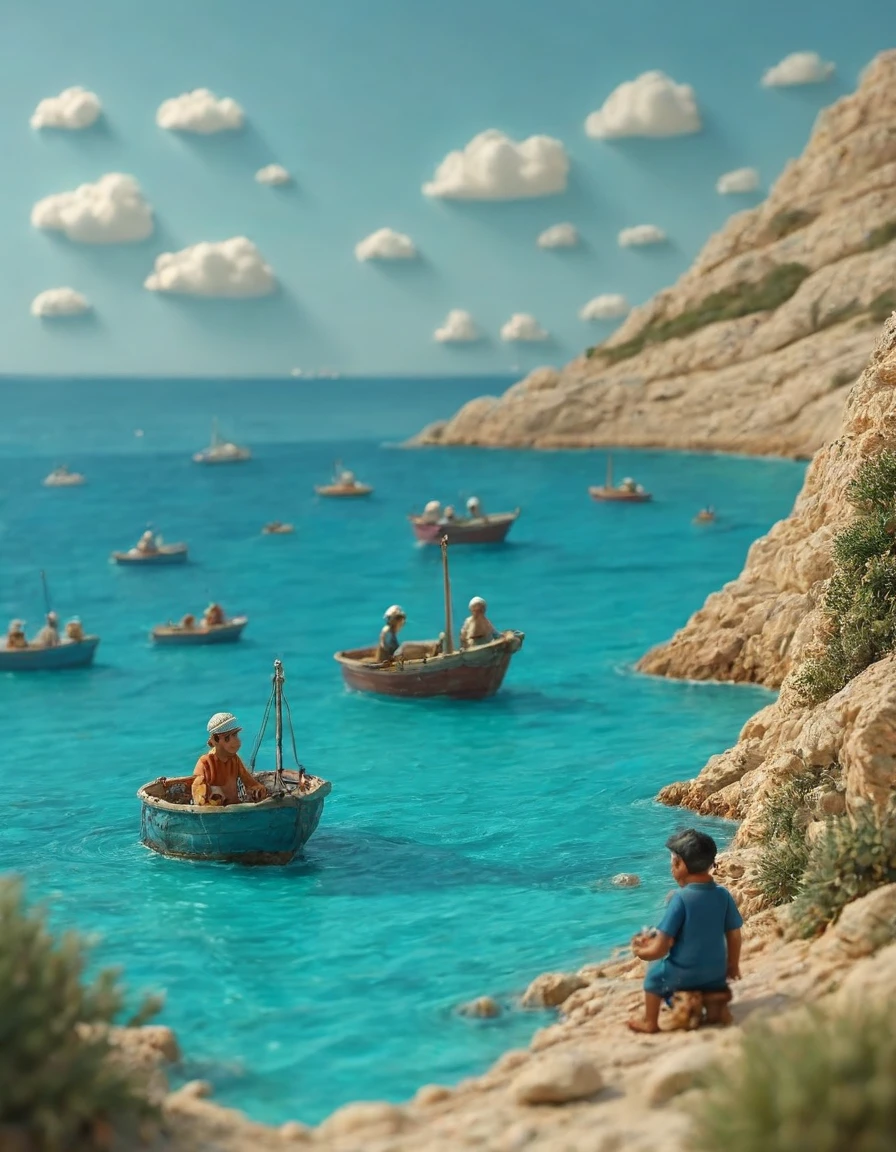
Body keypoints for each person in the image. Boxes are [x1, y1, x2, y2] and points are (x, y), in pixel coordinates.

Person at [627, 829, 743, 1034]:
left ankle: (650, 1022)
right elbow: (734, 934)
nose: (671, 868)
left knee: (654, 975)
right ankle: (713, 1004)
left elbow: (662, 948)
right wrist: (732, 965)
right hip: (716, 975)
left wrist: (640, 952)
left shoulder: (679, 899)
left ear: (680, 864)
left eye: (672, 863)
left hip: (684, 976)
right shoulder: (723, 895)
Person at [192, 713, 267, 807]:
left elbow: (249, 781)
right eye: (233, 736)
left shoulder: (234, 760)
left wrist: (258, 789)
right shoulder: (206, 763)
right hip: (216, 813)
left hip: (235, 808)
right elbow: (197, 789)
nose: (238, 742)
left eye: (236, 735)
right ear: (216, 739)